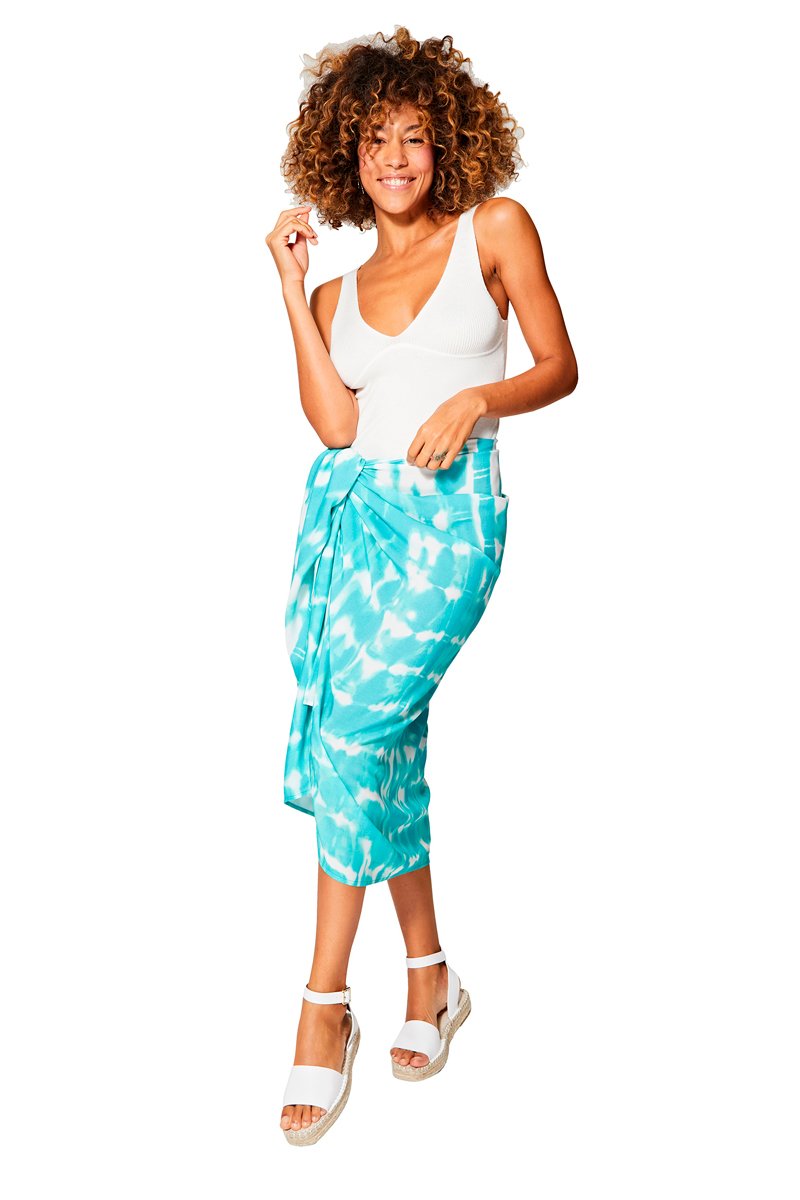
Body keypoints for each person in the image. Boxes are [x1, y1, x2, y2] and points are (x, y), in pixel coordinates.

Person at [265, 26, 578, 1145]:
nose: (393, 158)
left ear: (445, 141)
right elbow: (335, 424)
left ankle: (321, 1005)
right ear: (342, 154)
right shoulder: (337, 290)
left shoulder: (492, 228)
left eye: (411, 136)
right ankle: (431, 975)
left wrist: (477, 400)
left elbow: (559, 364)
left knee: (352, 734)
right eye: (372, 140)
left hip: (450, 526)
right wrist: (290, 288)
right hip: (355, 522)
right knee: (378, 744)